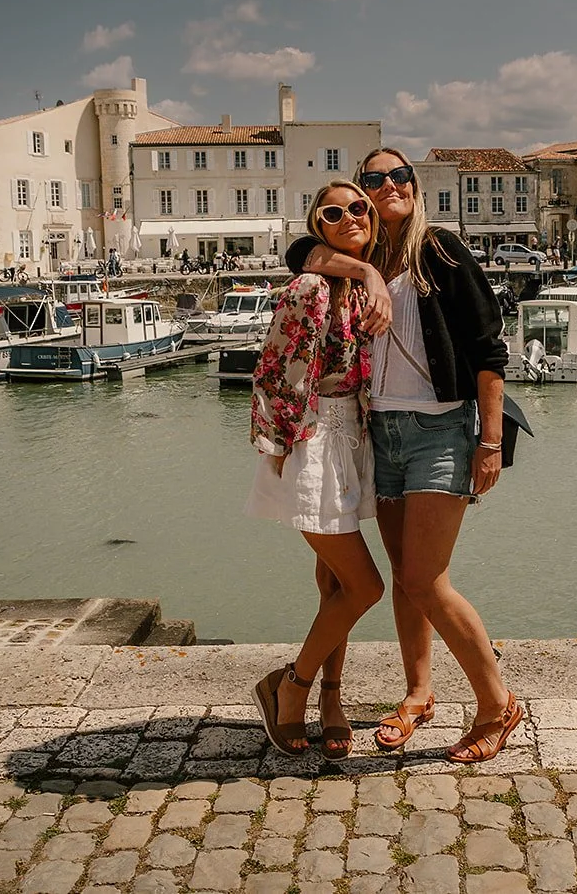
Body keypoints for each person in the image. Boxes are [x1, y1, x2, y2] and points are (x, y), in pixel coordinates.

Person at [285, 147, 523, 764]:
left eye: (400, 176)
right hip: (381, 433)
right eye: (372, 181)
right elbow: (297, 253)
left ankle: (497, 704)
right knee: (404, 577)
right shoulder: (362, 257)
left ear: (415, 188)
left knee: (425, 579)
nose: (387, 186)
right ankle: (419, 693)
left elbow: (489, 351)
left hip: (441, 431)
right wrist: (363, 272)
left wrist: (489, 442)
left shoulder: (438, 249)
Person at [246, 180, 384, 759]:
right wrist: (275, 441)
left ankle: (331, 698)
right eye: (335, 212)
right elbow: (277, 365)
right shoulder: (311, 285)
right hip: (311, 436)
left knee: (333, 582)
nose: (350, 216)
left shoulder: (358, 284)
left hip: (351, 435)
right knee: (366, 585)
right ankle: (290, 688)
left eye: (360, 208)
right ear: (318, 226)